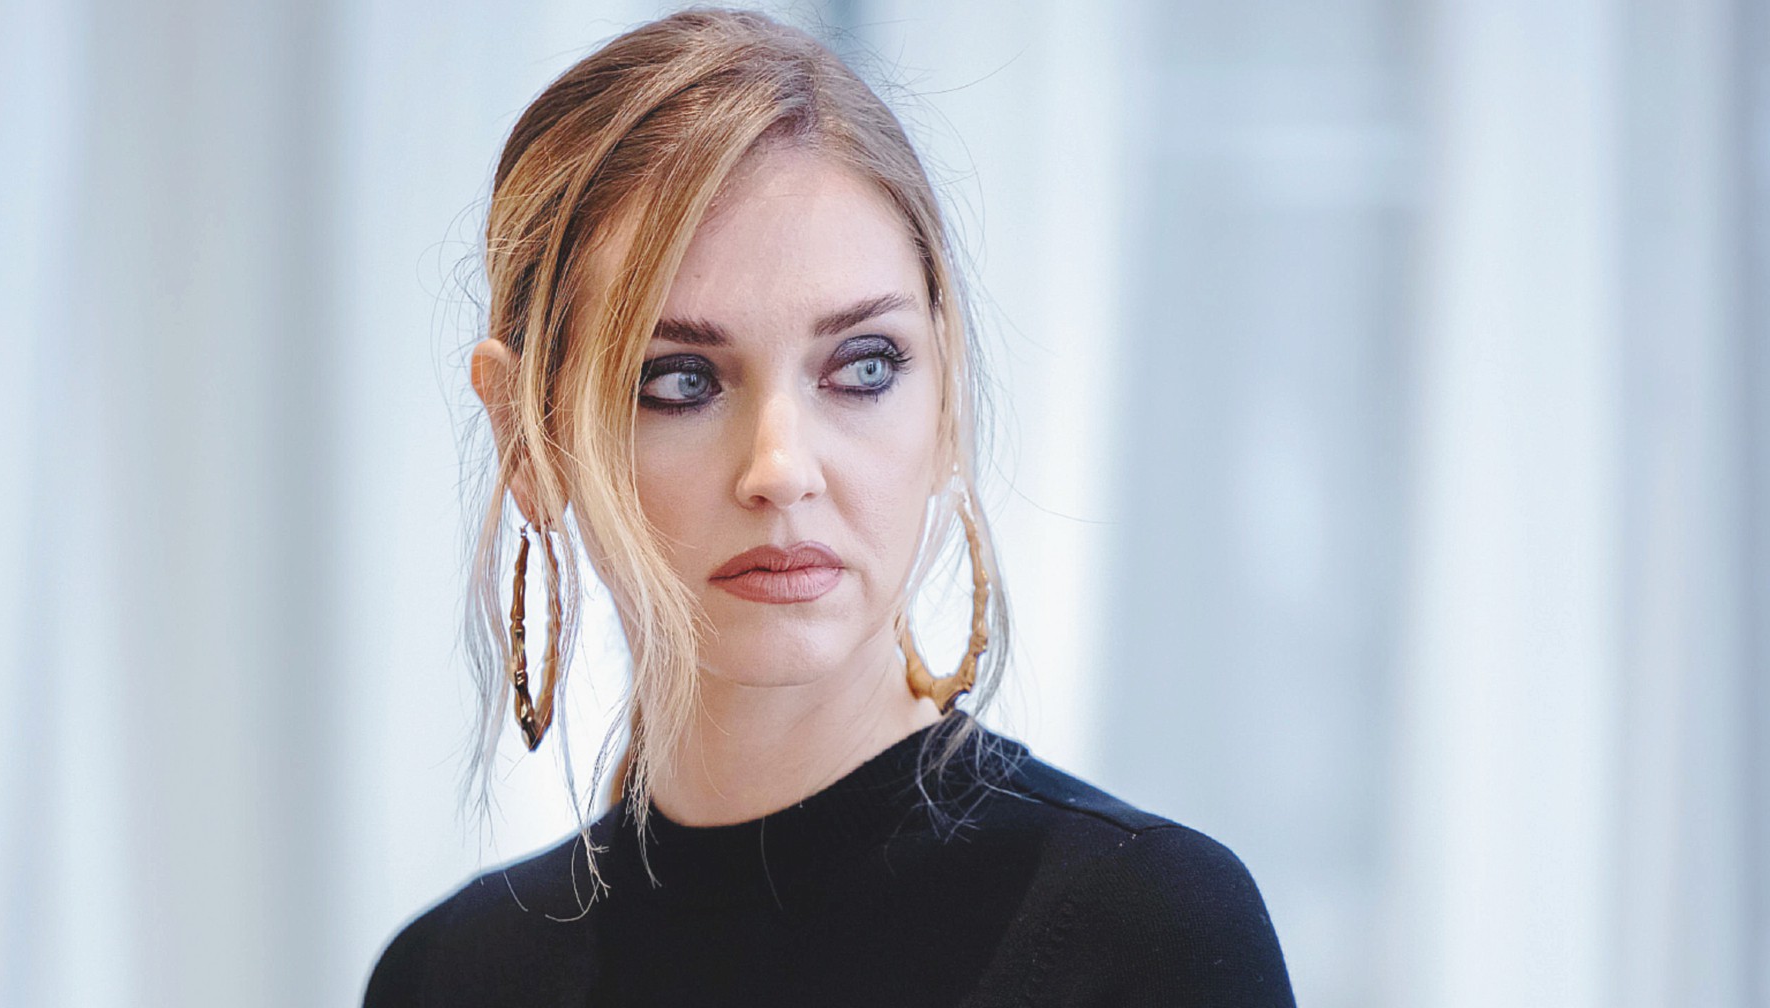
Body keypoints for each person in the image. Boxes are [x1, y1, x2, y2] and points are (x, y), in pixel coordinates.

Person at [363, 7, 1295, 1006]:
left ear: (947, 396)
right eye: (679, 380)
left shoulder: (1146, 935)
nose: (782, 468)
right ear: (526, 436)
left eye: (864, 366)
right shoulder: (446, 980)